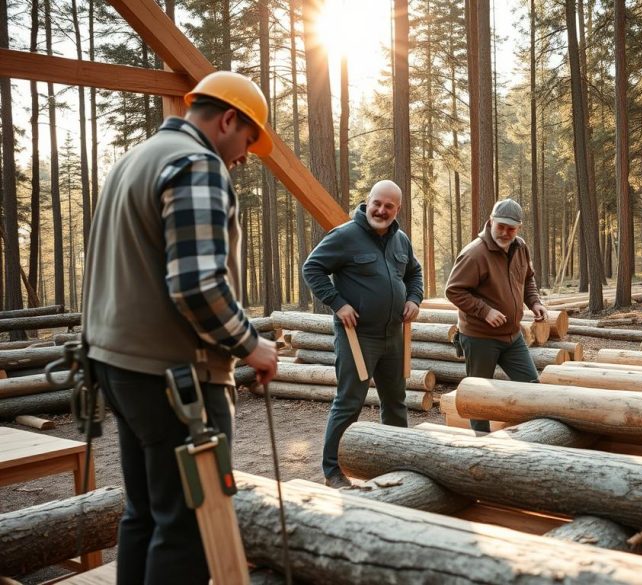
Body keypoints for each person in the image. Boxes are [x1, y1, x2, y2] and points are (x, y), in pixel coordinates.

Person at [81, 71, 279, 585]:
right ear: (228, 119)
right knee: (191, 526)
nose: (241, 158)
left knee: (145, 513)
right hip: (175, 379)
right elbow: (195, 286)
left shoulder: (135, 158)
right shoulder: (197, 163)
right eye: (246, 142)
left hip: (120, 368)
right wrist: (250, 344)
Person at [303, 180, 423, 487]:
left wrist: (414, 298)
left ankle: (396, 461)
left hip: (393, 336)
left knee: (395, 399)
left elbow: (414, 273)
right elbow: (312, 268)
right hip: (358, 337)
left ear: (398, 210)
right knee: (349, 402)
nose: (381, 210)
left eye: (389, 206)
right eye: (377, 203)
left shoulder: (401, 241)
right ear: (367, 202)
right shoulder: (345, 236)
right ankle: (333, 471)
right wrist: (338, 303)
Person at [445, 198, 548, 432]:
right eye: (500, 226)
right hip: (479, 338)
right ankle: (482, 445)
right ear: (491, 221)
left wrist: (534, 302)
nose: (504, 232)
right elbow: (453, 290)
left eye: (511, 228)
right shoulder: (474, 254)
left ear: (519, 227)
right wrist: (485, 311)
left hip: (512, 337)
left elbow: (528, 277)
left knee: (533, 387)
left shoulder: (520, 246)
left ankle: (537, 436)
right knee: (478, 395)